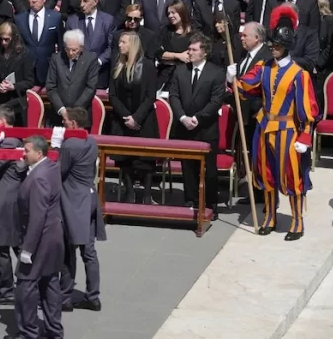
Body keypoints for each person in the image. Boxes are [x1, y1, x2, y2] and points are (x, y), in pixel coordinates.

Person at [231, 6, 320, 239]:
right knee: (266, 176)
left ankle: (297, 222)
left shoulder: (300, 75)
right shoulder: (263, 68)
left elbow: (308, 110)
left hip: (288, 131)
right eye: (272, 46)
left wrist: (305, 136)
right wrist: (234, 79)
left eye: (277, 46)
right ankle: (270, 216)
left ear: (287, 47)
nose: (273, 49)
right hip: (264, 129)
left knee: (291, 178)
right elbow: (246, 87)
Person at [168, 32, 226, 213]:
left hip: (206, 128)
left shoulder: (216, 73)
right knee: (188, 166)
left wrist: (198, 118)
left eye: (194, 49)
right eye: (189, 49)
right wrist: (182, 117)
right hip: (185, 127)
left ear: (204, 52)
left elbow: (216, 101)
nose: (190, 52)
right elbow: (174, 96)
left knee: (209, 168)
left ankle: (210, 203)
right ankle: (190, 200)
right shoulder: (180, 70)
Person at [15, 135, 64, 339]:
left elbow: (37, 216)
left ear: (39, 153)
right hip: (53, 237)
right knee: (50, 283)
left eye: (27, 151)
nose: (23, 154)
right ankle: (54, 330)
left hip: (40, 240)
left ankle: (28, 332)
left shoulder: (39, 178)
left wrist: (27, 249)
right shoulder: (51, 167)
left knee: (26, 285)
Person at [57, 108, 106, 312]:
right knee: (89, 251)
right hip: (89, 197)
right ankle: (93, 296)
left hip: (73, 202)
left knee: (69, 250)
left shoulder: (69, 145)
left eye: (65, 121)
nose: (63, 124)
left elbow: (59, 171)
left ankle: (65, 297)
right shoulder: (91, 141)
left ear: (74, 124)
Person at [108, 31, 159, 202]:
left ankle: (146, 193)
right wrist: (126, 117)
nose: (119, 45)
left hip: (143, 119)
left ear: (133, 45)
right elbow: (113, 95)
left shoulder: (148, 65)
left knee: (145, 159)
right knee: (125, 158)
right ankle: (129, 191)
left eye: (123, 42)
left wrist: (136, 118)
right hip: (123, 119)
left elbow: (150, 96)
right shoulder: (117, 65)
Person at [0, 105, 26, 304]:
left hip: (3, 201)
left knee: (2, 245)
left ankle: (7, 288)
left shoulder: (7, 144)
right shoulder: (15, 140)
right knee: (15, 243)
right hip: (11, 198)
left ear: (2, 122)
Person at [46, 29, 99, 126]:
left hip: (80, 115)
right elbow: (51, 87)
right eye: (67, 49)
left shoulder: (91, 59)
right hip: (58, 116)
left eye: (74, 50)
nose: (70, 53)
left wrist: (72, 113)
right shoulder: (56, 58)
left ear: (81, 47)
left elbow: (91, 88)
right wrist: (62, 110)